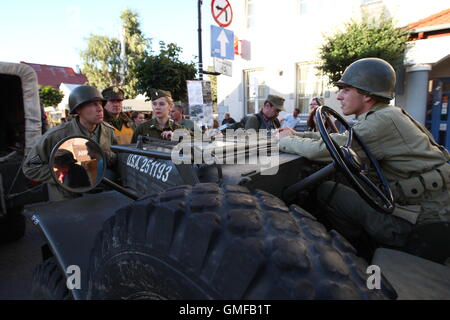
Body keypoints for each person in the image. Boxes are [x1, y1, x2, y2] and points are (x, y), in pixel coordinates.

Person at [278, 57, 450, 254]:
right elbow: (340, 139)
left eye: (346, 90)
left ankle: (353, 254)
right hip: (432, 211)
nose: (339, 96)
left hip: (416, 221)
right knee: (343, 179)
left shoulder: (380, 122)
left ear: (367, 96)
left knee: (327, 190)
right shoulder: (390, 114)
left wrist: (281, 141)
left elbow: (321, 150)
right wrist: (297, 134)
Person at [23, 85, 118, 201]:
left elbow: (117, 158)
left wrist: (107, 157)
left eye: (100, 104)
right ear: (78, 109)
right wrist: (63, 172)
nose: (99, 109)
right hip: (68, 200)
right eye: (92, 104)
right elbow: (30, 167)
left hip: (101, 196)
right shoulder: (55, 136)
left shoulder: (109, 132)